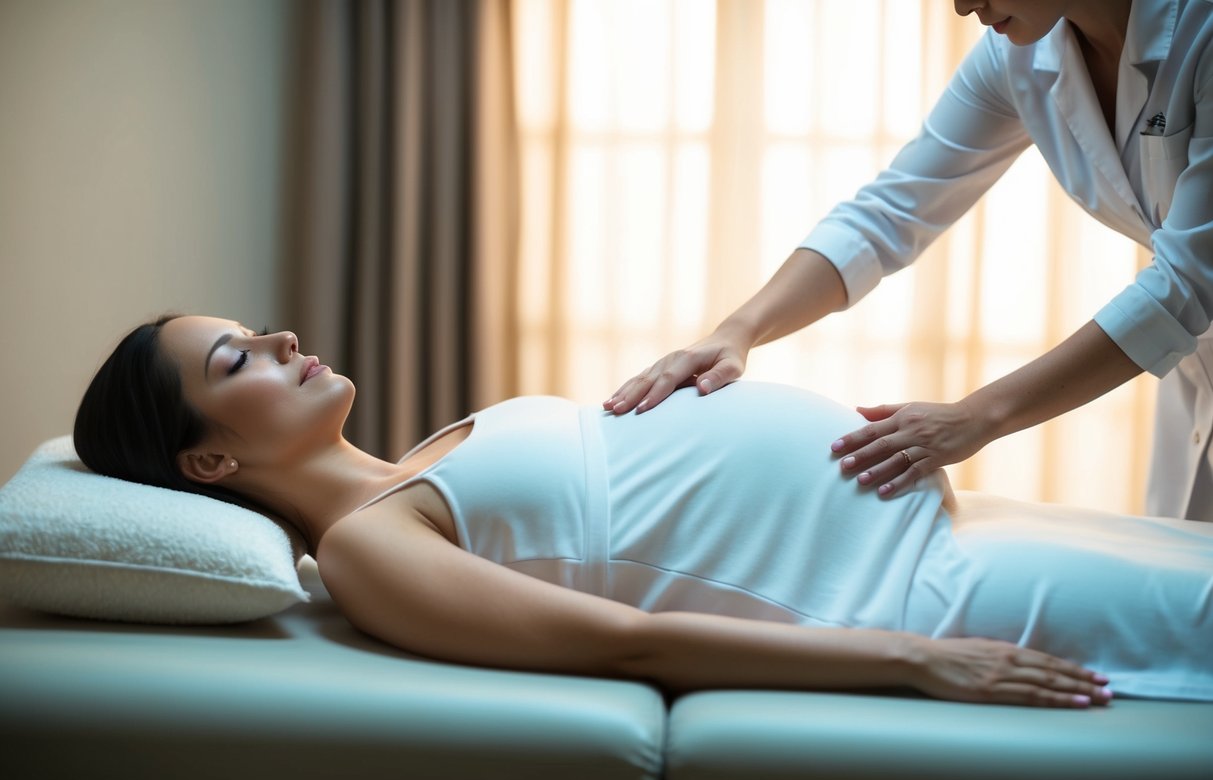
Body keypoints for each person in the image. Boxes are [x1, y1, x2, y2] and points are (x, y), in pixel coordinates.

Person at [74, 316, 1213, 706]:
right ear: (212, 461)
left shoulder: (418, 462)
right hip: (907, 593)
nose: (278, 338)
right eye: (237, 359)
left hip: (938, 528)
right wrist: (916, 661)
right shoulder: (371, 551)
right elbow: (626, 641)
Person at [604, 0, 1213, 519]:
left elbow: (1186, 279)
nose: (962, 5)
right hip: (1192, 378)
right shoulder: (1021, 56)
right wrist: (738, 330)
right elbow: (888, 214)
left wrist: (977, 417)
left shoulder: (1201, 31)